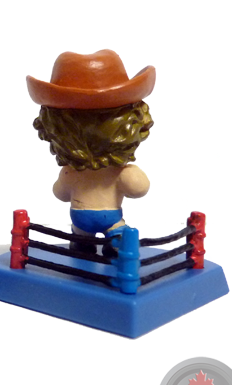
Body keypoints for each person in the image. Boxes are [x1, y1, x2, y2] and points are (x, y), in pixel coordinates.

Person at [26, 50, 155, 252]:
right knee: (101, 248)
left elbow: (60, 192)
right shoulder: (116, 174)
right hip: (102, 221)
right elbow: (138, 188)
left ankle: (93, 245)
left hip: (84, 223)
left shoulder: (70, 173)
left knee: (91, 246)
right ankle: (99, 248)